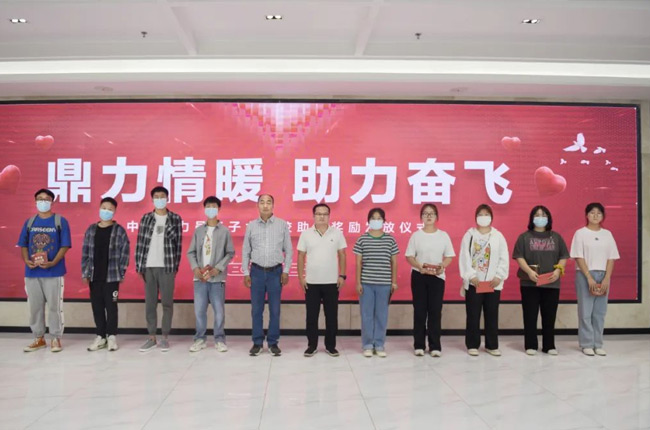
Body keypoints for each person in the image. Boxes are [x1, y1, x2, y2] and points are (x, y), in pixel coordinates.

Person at [18, 188, 71, 353]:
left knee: (55, 307)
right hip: (32, 273)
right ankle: (39, 338)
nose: (43, 201)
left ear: (52, 202)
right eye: (39, 199)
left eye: (46, 199)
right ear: (35, 202)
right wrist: (26, 260)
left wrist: (53, 262)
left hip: (54, 272)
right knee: (35, 307)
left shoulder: (60, 221)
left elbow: (65, 245)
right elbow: (23, 244)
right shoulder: (29, 222)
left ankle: (55, 338)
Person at [513, 205, 569, 356]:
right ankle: (530, 345)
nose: (540, 218)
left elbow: (563, 256)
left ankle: (549, 345)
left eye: (544, 215)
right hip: (529, 283)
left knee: (549, 316)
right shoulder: (524, 237)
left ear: (549, 218)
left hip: (551, 283)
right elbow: (519, 257)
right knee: (530, 316)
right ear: (531, 218)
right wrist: (529, 272)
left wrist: (558, 270)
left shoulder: (556, 237)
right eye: (537, 215)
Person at [242, 194, 292, 357]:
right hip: (256, 272)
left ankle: (273, 342)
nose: (265, 205)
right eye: (262, 202)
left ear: (273, 205)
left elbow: (289, 250)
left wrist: (286, 271)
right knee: (256, 310)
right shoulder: (251, 226)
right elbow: (246, 251)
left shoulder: (282, 225)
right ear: (257, 205)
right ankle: (257, 342)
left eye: (268, 202)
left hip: (275, 272)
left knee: (275, 310)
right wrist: (246, 272)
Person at [135, 186, 183, 352]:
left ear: (167, 198)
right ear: (152, 199)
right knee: (150, 304)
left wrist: (175, 266)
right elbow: (140, 243)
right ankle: (151, 337)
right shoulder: (146, 218)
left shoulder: (175, 218)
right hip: (148, 267)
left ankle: (165, 337)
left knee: (167, 303)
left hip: (167, 266)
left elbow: (178, 245)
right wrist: (139, 266)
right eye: (156, 196)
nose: (160, 199)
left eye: (162, 196)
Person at [458, 204, 509, 357]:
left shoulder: (498, 236)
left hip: (492, 283)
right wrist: (471, 275)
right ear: (476, 217)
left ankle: (491, 345)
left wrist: (499, 276)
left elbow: (504, 257)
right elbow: (464, 256)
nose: (484, 217)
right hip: (475, 283)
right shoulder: (469, 235)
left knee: (492, 314)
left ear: (491, 217)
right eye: (480, 214)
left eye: (487, 214)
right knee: (473, 315)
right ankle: (472, 344)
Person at [297, 203, 347, 357]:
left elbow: (342, 254)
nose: (322, 217)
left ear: (329, 216)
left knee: (331, 316)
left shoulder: (337, 233)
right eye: (318, 214)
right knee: (311, 316)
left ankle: (330, 346)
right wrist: (301, 277)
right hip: (311, 283)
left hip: (332, 282)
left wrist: (342, 275)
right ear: (313, 216)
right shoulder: (306, 234)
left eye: (325, 214)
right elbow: (300, 256)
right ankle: (312, 345)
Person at [405, 203, 455, 358]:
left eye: (431, 213)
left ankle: (435, 346)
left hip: (437, 277)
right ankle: (419, 345)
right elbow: (409, 256)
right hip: (419, 275)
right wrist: (419, 266)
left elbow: (449, 256)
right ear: (421, 217)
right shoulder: (416, 236)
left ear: (436, 217)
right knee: (419, 311)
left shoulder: (443, 235)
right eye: (425, 213)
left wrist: (442, 266)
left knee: (435, 311)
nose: (428, 216)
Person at [570, 202, 619, 356]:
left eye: (599, 213)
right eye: (592, 212)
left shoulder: (607, 234)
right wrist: (589, 277)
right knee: (585, 311)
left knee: (600, 311)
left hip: (603, 274)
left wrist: (607, 278)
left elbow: (611, 257)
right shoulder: (580, 233)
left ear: (603, 216)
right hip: (585, 274)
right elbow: (578, 256)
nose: (595, 215)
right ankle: (586, 344)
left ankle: (598, 343)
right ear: (586, 215)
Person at [81, 197, 130, 352]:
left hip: (112, 276)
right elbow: (85, 252)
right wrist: (85, 272)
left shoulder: (119, 230)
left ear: (114, 212)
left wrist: (121, 272)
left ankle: (112, 336)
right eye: (104, 208)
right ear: (99, 208)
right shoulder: (91, 230)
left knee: (111, 307)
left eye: (110, 209)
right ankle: (100, 336)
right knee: (97, 307)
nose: (106, 211)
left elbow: (125, 253)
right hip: (94, 276)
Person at [187, 196, 235, 353]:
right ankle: (200, 339)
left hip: (217, 279)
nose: (211, 209)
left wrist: (218, 268)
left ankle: (219, 339)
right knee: (199, 311)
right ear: (204, 209)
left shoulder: (224, 231)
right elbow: (190, 252)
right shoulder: (199, 231)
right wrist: (195, 268)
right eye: (208, 206)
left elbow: (230, 253)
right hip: (199, 278)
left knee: (219, 311)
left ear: (219, 209)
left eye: (214, 206)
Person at [353, 208, 399, 358]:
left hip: (384, 284)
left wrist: (394, 282)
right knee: (366, 315)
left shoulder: (390, 240)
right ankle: (367, 344)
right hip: (366, 283)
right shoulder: (362, 239)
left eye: (379, 218)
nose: (376, 221)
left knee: (381, 315)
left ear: (384, 221)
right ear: (368, 221)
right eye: (373, 218)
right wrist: (358, 282)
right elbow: (358, 263)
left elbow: (394, 262)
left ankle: (379, 344)